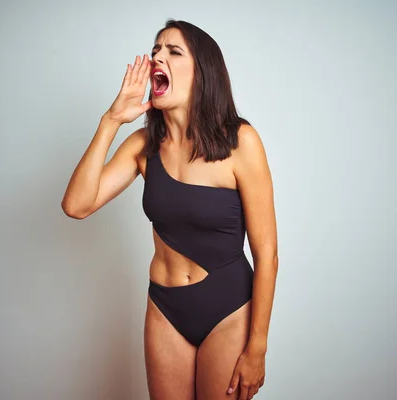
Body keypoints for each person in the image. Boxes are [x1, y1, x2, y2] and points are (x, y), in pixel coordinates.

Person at [62, 19, 278, 400]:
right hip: (165, 309)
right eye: (156, 49)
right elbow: (77, 205)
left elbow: (267, 254)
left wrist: (257, 347)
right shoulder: (144, 144)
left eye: (173, 51)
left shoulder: (241, 142)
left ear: (203, 73)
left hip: (228, 309)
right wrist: (111, 120)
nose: (157, 56)